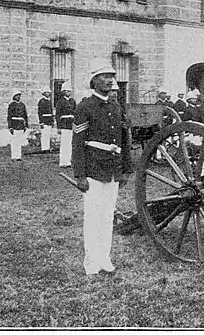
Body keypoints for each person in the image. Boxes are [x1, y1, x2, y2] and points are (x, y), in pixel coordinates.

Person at [71, 59, 132, 275]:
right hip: (94, 168)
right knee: (93, 216)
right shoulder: (84, 107)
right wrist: (80, 174)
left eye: (111, 76)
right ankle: (91, 262)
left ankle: (105, 258)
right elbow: (77, 142)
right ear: (94, 80)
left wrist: (126, 169)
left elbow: (124, 140)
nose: (109, 80)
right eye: (104, 76)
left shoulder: (116, 107)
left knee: (107, 216)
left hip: (114, 169)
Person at [56, 83, 77, 168]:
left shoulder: (73, 101)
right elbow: (58, 115)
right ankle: (62, 161)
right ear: (63, 92)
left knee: (70, 143)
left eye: (70, 91)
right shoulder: (60, 101)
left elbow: (75, 113)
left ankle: (68, 161)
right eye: (67, 91)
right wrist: (59, 127)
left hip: (71, 124)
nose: (69, 92)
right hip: (64, 124)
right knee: (64, 143)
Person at [7, 91, 28, 161]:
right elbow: (9, 116)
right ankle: (14, 156)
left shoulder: (22, 105)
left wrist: (26, 125)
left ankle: (19, 156)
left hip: (21, 124)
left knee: (19, 141)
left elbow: (25, 116)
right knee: (14, 141)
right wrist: (10, 127)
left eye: (19, 95)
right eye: (17, 95)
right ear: (14, 96)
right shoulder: (11, 105)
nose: (18, 97)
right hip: (14, 124)